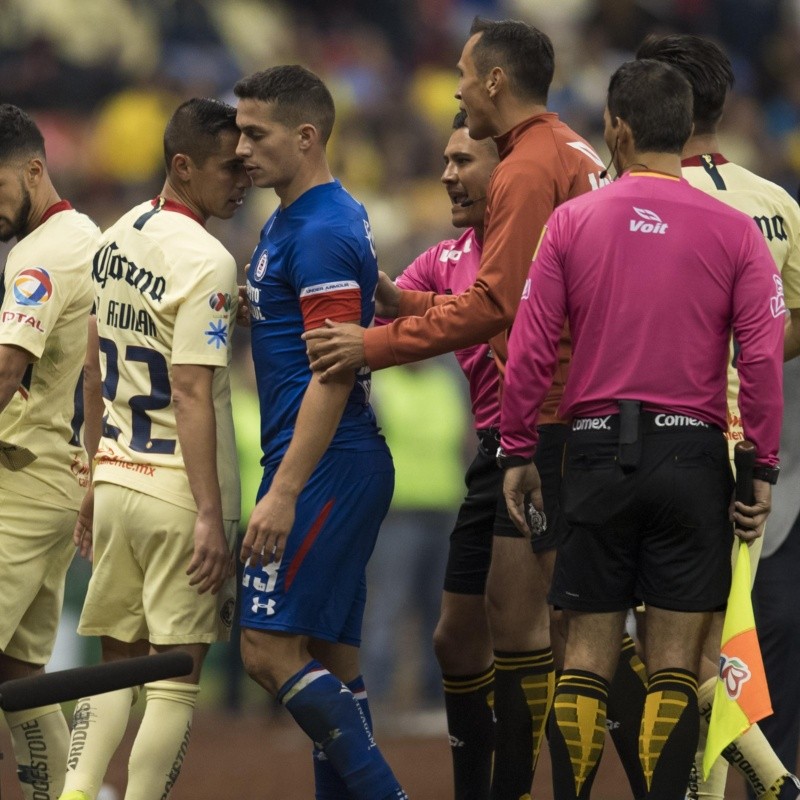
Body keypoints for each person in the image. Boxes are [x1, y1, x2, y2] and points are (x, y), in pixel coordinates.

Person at [304, 18, 609, 799]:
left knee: (548, 630)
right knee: (461, 634)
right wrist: (359, 290)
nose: (447, 171)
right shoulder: (487, 218)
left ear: (496, 89)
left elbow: (491, 306)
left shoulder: (529, 171)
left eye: (459, 155)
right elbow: (425, 299)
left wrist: (369, 347)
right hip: (513, 438)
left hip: (552, 423)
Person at [500, 59, 784, 800]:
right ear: (686, 131)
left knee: (586, 656)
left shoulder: (573, 220)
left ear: (618, 129)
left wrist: (519, 449)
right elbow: (759, 360)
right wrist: (760, 467)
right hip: (691, 454)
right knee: (674, 662)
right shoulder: (734, 230)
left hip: (594, 450)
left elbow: (530, 347)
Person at [58, 97, 248, 800]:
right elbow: (193, 391)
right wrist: (208, 513)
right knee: (173, 685)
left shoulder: (113, 236)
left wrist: (94, 478)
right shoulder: (208, 259)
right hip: (178, 495)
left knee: (114, 668)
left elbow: (91, 370)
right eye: (230, 168)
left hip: (116, 481)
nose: (243, 180)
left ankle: (77, 791)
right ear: (183, 165)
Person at [233, 65, 408, 800]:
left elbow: (332, 373)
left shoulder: (324, 227)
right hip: (333, 459)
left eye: (254, 132)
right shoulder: (296, 217)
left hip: (326, 462)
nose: (239, 148)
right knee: (333, 663)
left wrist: (284, 491)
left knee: (267, 650)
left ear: (305, 136)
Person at [635, 33, 800, 800]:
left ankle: (711, 786)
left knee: (658, 641)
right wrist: (750, 352)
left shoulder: (638, 195)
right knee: (737, 631)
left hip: (668, 434)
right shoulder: (776, 203)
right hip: (758, 447)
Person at [0, 103, 99, 800]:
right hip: (54, 477)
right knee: (19, 673)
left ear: (34, 169)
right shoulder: (79, 236)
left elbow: (7, 369)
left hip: (22, 484)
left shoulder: (42, 252)